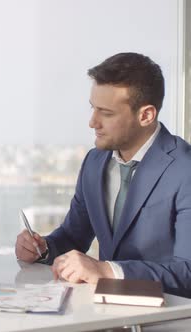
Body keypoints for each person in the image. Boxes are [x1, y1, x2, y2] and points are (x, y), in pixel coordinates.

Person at [15, 52, 191, 297]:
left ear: (146, 115)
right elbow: (73, 236)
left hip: (167, 319)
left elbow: (187, 273)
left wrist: (107, 271)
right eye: (93, 108)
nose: (92, 122)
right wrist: (43, 249)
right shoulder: (95, 162)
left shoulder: (185, 169)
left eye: (106, 113)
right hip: (105, 312)